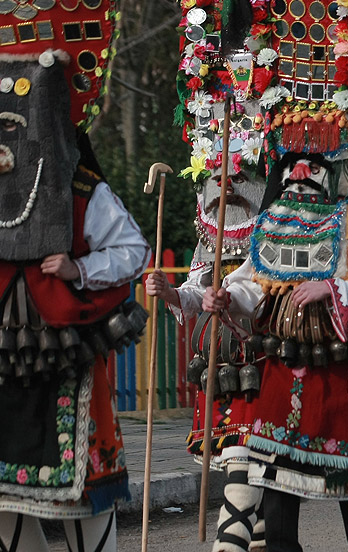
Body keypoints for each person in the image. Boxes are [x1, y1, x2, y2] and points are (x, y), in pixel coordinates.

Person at [0, 57, 150, 552]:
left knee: (80, 490)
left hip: (63, 346)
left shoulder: (84, 191)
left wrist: (78, 270)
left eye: (11, 123)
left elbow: (134, 251)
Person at [203, 152, 348, 552]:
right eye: (292, 169)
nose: (301, 175)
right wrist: (226, 296)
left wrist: (331, 289)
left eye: (312, 169)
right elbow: (250, 287)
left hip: (337, 377)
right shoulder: (270, 228)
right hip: (281, 373)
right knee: (276, 484)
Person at [146, 161, 267, 552]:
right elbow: (194, 295)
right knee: (239, 455)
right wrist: (169, 293)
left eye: (239, 179)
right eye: (219, 180)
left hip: (262, 351)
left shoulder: (273, 234)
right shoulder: (207, 242)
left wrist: (233, 298)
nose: (227, 188)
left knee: (249, 454)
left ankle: (234, 540)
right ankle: (256, 536)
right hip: (219, 356)